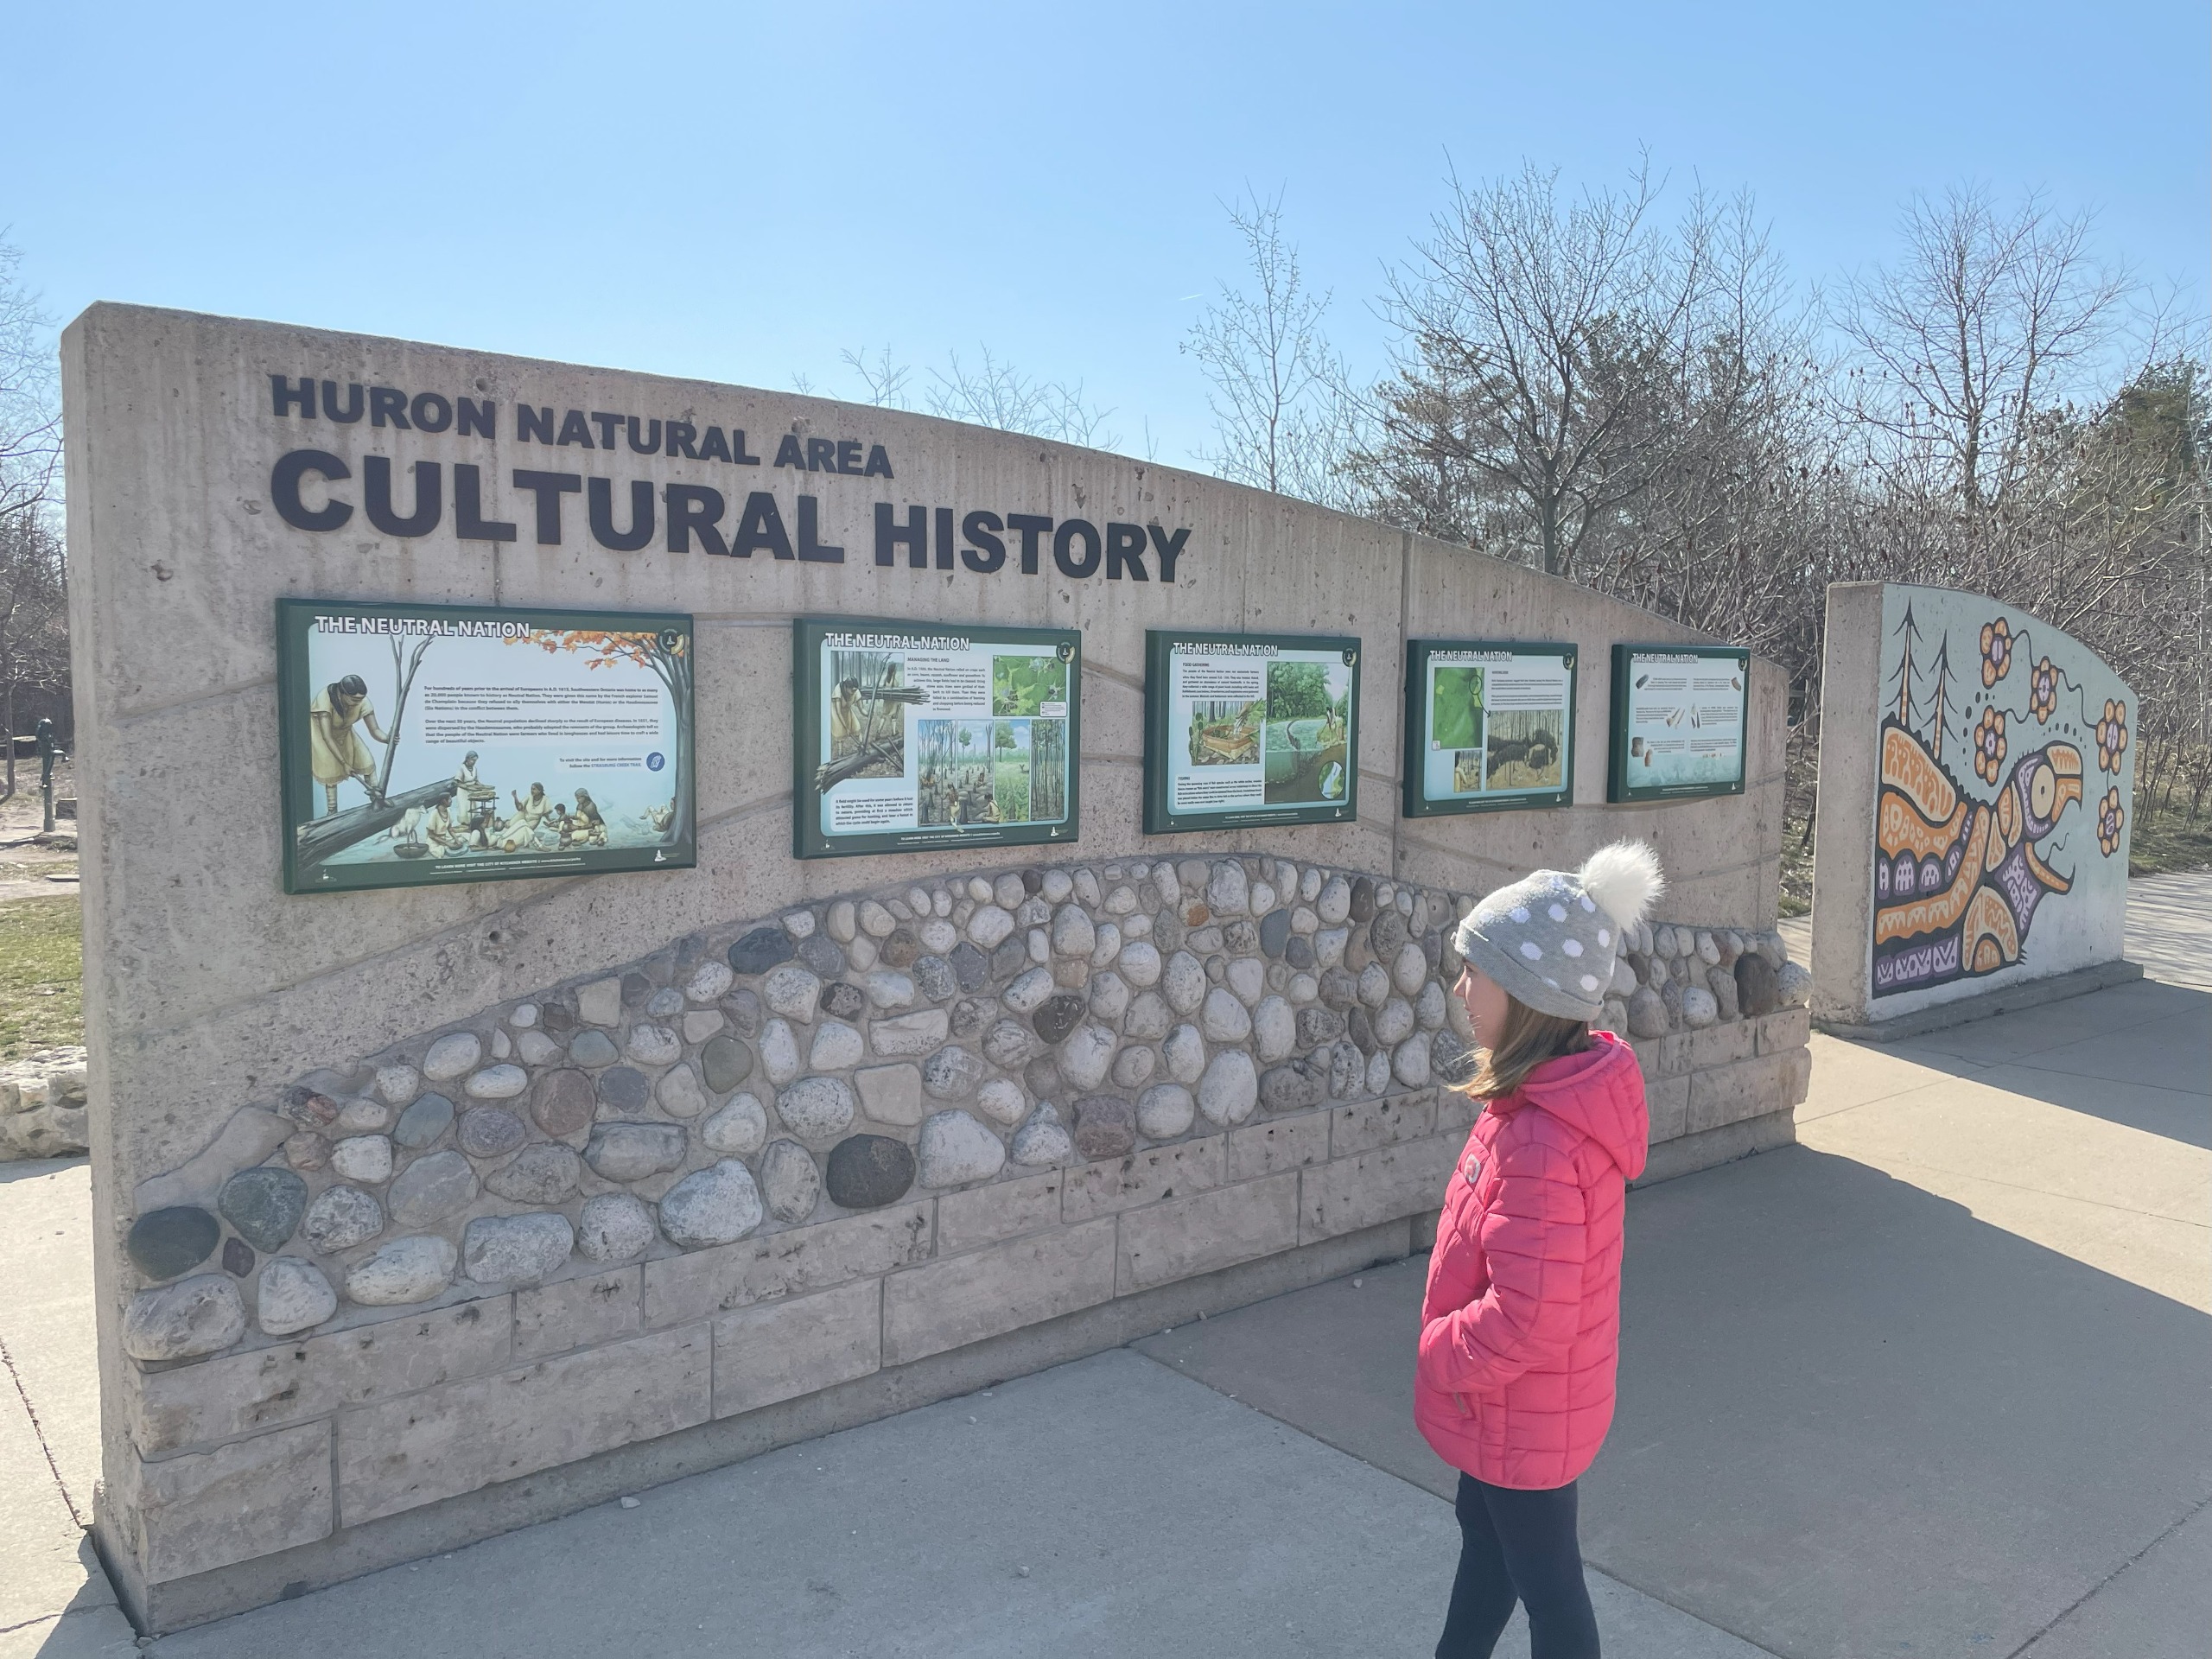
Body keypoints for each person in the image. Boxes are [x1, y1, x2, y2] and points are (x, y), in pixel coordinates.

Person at [1420, 842, 1662, 1659]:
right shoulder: (1531, 1109)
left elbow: (1528, 1316)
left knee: (1550, 1589)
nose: (1461, 988)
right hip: (1515, 1410)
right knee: (1490, 1547)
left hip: (1522, 1409)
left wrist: (1443, 1352)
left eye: (1475, 973)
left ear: (1526, 998)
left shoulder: (1545, 1142)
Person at [307, 674, 391, 817]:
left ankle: (377, 800)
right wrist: (344, 763)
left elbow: (375, 730)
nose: (358, 702)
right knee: (331, 772)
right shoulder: (324, 700)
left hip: (345, 734)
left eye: (360, 699)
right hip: (322, 737)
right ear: (342, 694)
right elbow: (327, 737)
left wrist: (388, 739)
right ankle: (332, 812)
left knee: (367, 763)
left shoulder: (362, 701)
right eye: (354, 699)